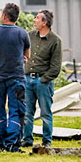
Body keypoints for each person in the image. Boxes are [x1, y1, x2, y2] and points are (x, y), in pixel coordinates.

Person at [0, 3, 30, 152]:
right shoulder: (22, 33)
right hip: (16, 77)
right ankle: (12, 144)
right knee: (15, 110)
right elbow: (27, 55)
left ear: (4, 16)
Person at [22, 10, 62, 148]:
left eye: (37, 18)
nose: (34, 20)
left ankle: (46, 142)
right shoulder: (29, 36)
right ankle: (27, 139)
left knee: (45, 112)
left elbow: (56, 67)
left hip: (43, 82)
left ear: (45, 22)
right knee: (27, 112)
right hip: (27, 79)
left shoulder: (55, 41)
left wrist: (43, 80)